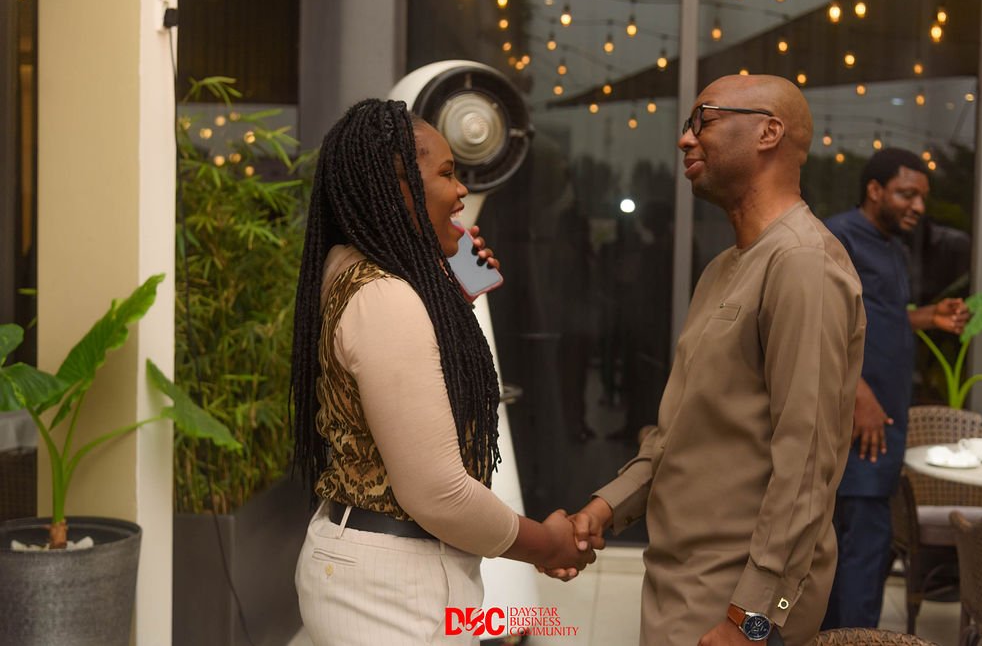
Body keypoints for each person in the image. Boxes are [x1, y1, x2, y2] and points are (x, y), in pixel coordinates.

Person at [550, 74, 867, 645]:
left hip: (736, 593)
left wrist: (752, 619)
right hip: (681, 578)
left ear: (769, 133)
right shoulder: (724, 268)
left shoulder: (803, 263)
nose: (685, 138)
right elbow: (680, 432)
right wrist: (605, 507)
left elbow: (807, 466)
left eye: (705, 120)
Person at [289, 99, 595, 645]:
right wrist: (544, 545)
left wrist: (452, 294)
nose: (461, 192)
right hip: (392, 590)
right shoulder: (386, 298)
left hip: (376, 570)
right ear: (397, 188)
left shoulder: (349, 265)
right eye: (448, 174)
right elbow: (439, 494)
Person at [821, 148, 969, 629]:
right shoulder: (838, 237)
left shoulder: (895, 245)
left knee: (865, 547)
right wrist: (858, 394)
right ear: (874, 190)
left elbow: (879, 317)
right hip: (858, 422)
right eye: (907, 194)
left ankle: (840, 636)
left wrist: (928, 317)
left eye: (922, 197)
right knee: (861, 546)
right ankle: (848, 639)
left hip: (884, 422)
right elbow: (820, 326)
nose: (919, 207)